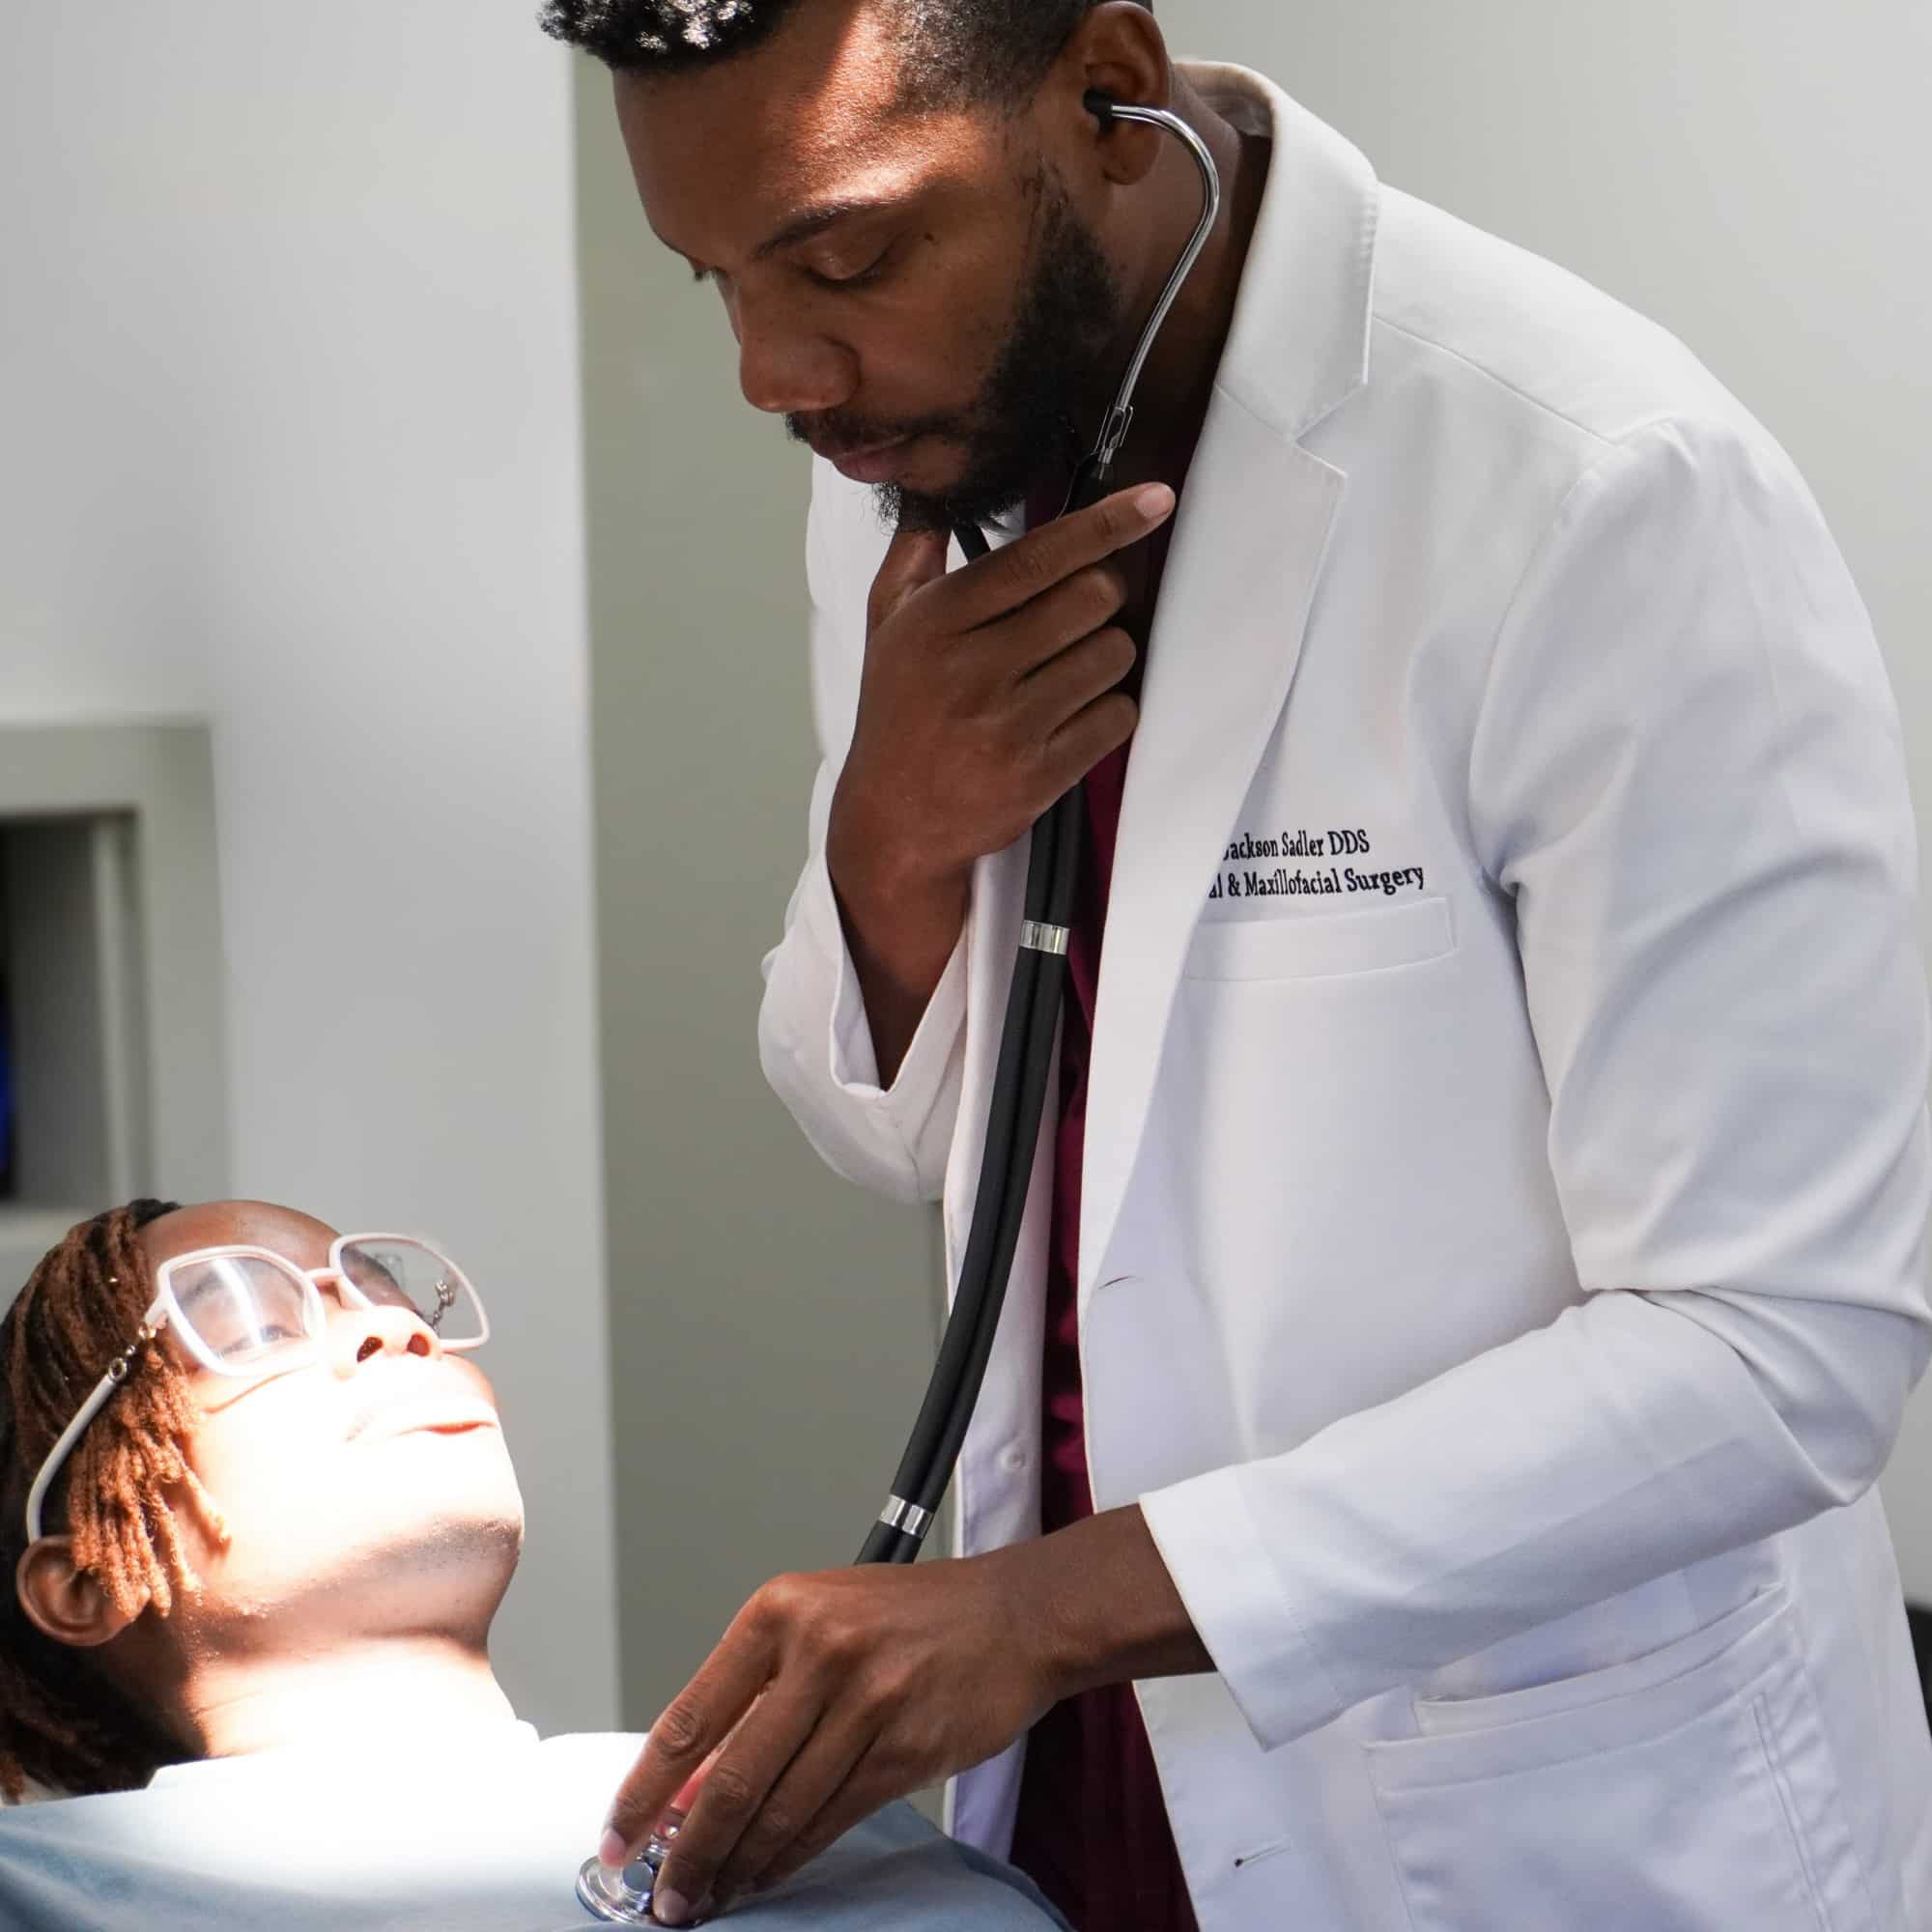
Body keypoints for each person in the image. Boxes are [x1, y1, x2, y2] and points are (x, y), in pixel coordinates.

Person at [543, 2, 1932, 1928]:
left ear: (1109, 94)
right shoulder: (921, 456)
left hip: (1518, 1810)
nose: (778, 373)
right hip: (1085, 1785)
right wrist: (889, 841)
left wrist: (1043, 1610)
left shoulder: (1594, 486)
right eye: (717, 280)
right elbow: (912, 1143)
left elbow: (1780, 1341)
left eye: (844, 260)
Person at [0, 1200, 1067, 1930]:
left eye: (389, 1295)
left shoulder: (815, 1831)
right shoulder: (45, 1890)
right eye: (249, 1322)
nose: (392, 1331)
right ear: (85, 1580)